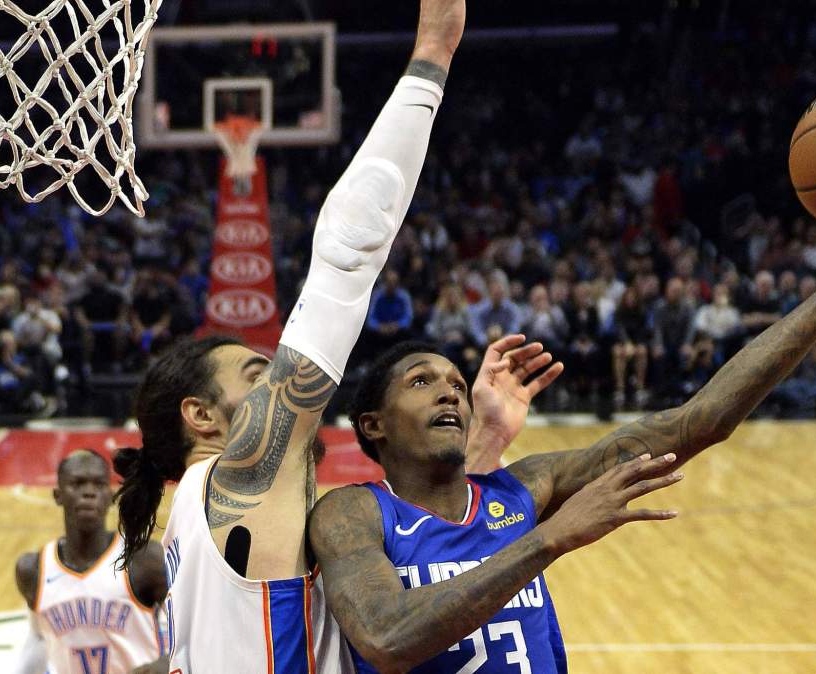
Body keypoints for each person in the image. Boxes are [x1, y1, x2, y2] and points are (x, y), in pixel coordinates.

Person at [308, 167, 816, 673]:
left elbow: (701, 419)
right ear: (373, 425)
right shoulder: (352, 514)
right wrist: (549, 539)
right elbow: (386, 636)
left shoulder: (522, 489)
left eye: (456, 381)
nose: (450, 392)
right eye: (422, 382)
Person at [112, 4, 561, 669]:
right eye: (258, 376)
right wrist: (433, 57)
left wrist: (483, 443)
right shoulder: (240, 477)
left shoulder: (202, 523)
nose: (282, 384)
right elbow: (349, 250)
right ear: (201, 416)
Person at [12, 450, 167, 674]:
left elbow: (189, 622)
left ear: (111, 496)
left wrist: (167, 661)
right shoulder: (33, 569)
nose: (89, 492)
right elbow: (38, 638)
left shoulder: (144, 559)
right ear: (57, 495)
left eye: (99, 484)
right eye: (77, 484)